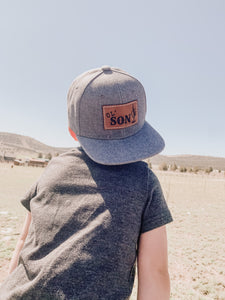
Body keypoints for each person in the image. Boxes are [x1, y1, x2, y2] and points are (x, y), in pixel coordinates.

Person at [0, 66, 173, 300]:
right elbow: (155, 272)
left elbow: (23, 240)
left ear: (72, 132)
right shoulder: (144, 181)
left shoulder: (54, 168)